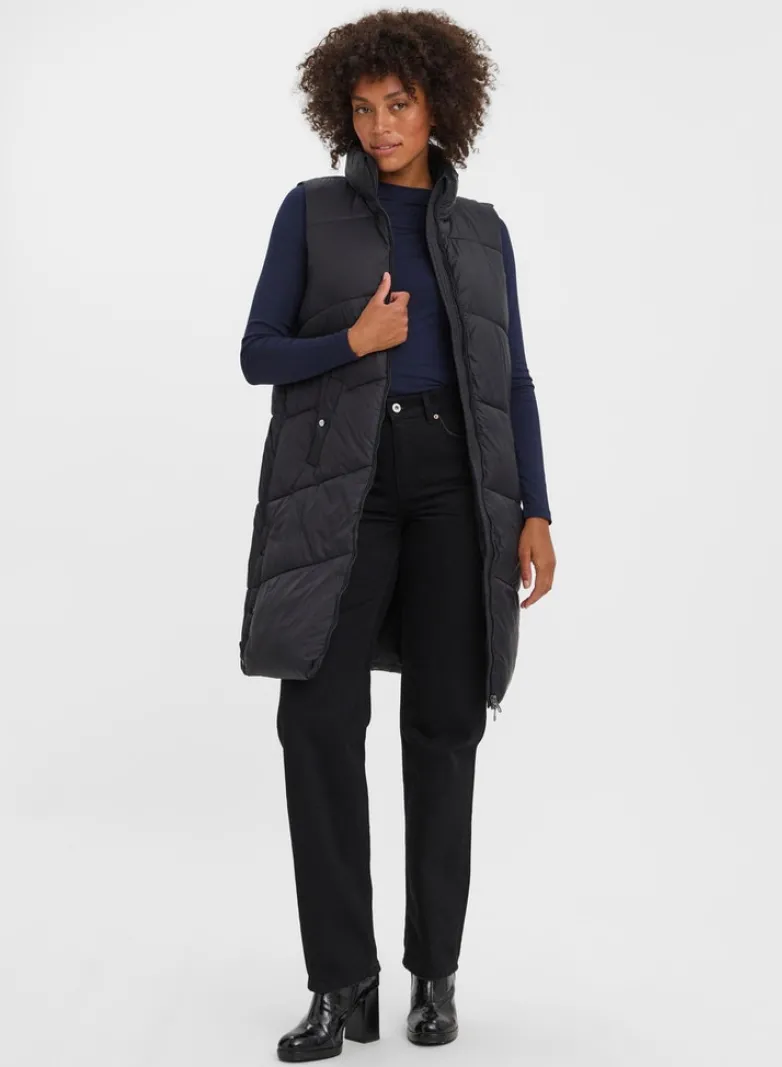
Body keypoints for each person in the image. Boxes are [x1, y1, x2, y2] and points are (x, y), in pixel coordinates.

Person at [238, 9, 556, 1061]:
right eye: (364, 107)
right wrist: (354, 338)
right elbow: (258, 352)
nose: (380, 126)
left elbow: (511, 381)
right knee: (316, 721)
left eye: (399, 104)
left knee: (445, 728)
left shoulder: (484, 232)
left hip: (456, 488)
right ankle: (342, 983)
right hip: (346, 484)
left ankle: (434, 973)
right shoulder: (311, 211)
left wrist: (536, 508)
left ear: (437, 106)